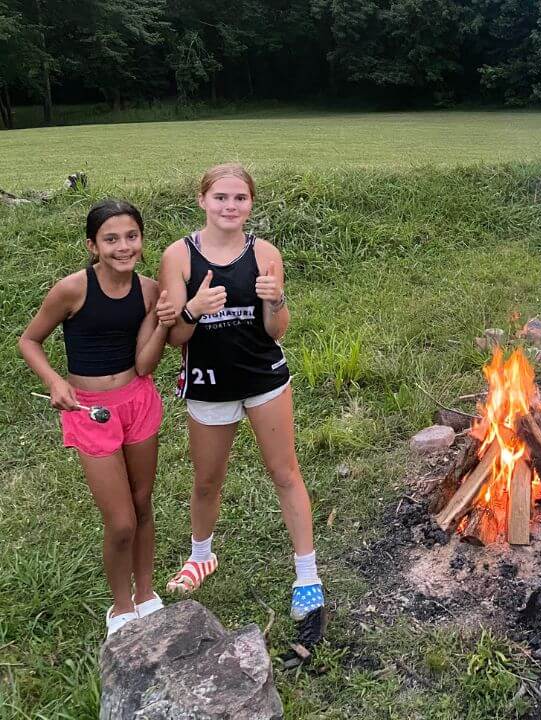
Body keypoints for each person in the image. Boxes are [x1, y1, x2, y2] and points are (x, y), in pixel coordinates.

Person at [159, 163, 324, 630]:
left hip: (263, 376)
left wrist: (276, 301)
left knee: (285, 472)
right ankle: (201, 556)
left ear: (250, 204)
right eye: (220, 198)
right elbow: (174, 337)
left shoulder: (265, 251)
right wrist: (193, 308)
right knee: (207, 480)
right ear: (202, 200)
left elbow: (276, 330)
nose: (230, 206)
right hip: (209, 381)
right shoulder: (180, 256)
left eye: (239, 198)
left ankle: (307, 576)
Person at [19, 200, 174, 638]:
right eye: (110, 239)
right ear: (92, 245)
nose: (122, 246)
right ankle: (121, 606)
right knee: (120, 519)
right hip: (91, 410)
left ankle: (145, 594)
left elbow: (146, 365)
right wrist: (54, 381)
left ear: (141, 242)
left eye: (131, 237)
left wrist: (163, 324)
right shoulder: (73, 289)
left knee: (143, 504)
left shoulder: (148, 291)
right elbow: (29, 340)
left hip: (138, 402)